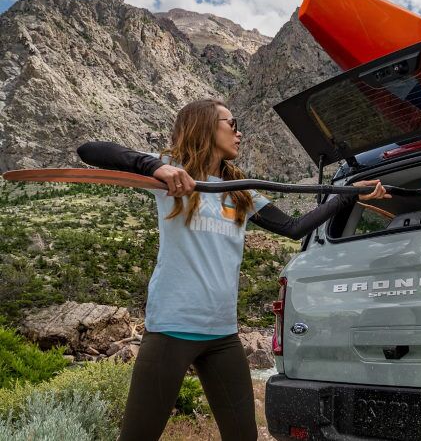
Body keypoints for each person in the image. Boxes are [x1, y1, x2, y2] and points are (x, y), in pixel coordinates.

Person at [77, 99, 389, 440]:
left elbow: (294, 227)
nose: (239, 132)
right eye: (232, 123)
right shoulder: (171, 173)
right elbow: (89, 149)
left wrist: (346, 195)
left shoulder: (241, 191)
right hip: (171, 329)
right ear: (206, 126)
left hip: (222, 334)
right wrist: (154, 167)